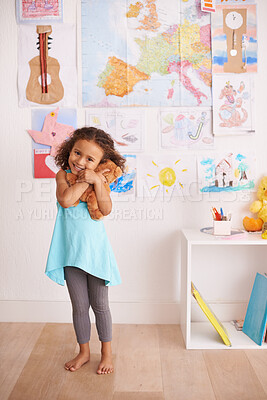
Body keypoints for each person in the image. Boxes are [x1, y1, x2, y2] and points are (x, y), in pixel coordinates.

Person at [45, 127, 125, 375]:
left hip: (95, 254)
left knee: (100, 305)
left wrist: (98, 181)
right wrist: (87, 179)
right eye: (77, 153)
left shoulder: (100, 180)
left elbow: (106, 208)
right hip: (71, 253)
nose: (80, 161)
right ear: (70, 151)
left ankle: (107, 353)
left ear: (101, 163)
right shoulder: (62, 176)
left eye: (90, 159)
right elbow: (67, 200)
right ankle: (83, 351)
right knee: (79, 306)